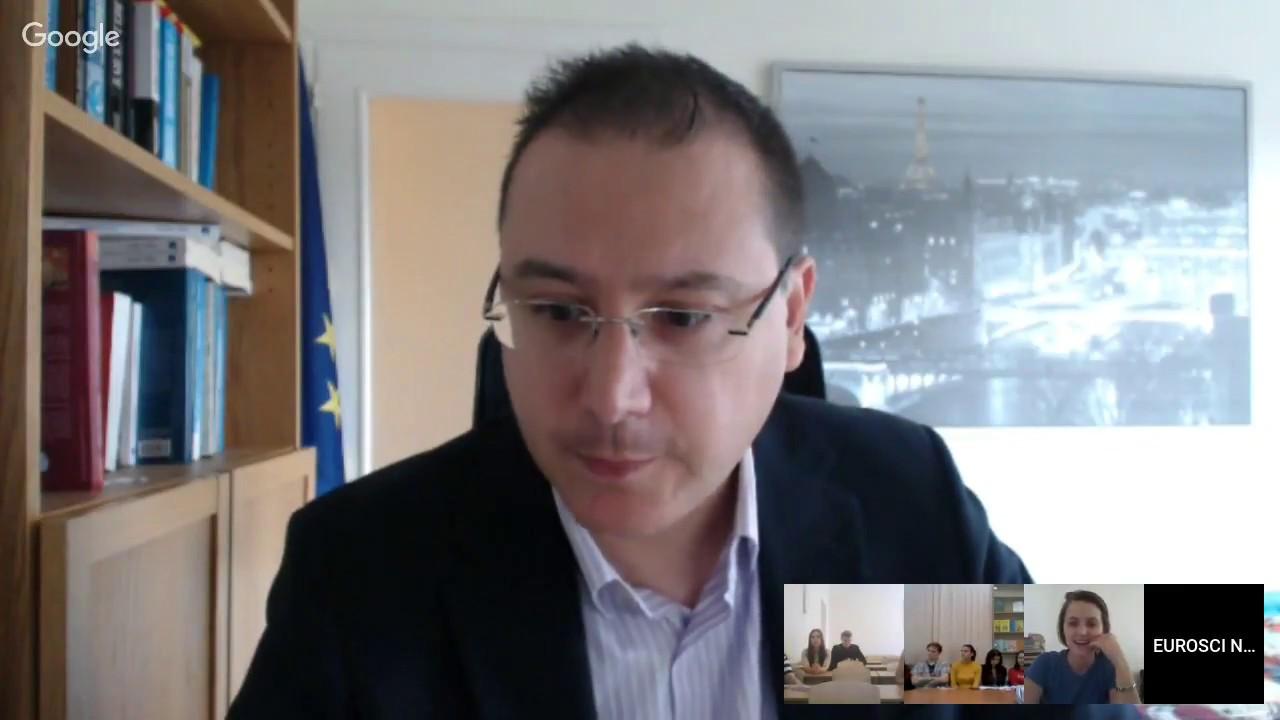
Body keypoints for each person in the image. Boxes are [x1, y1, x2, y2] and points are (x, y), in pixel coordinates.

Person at [227, 44, 1031, 719]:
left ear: (791, 318)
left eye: (682, 317)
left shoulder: (903, 503)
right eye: (557, 311)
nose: (612, 398)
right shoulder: (364, 575)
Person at [1025, 590, 1140, 704]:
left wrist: (1119, 659)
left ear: (1104, 630)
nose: (1082, 632)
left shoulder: (1109, 668)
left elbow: (1129, 712)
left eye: (1092, 624)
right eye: (1073, 623)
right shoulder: (1045, 663)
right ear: (1063, 628)